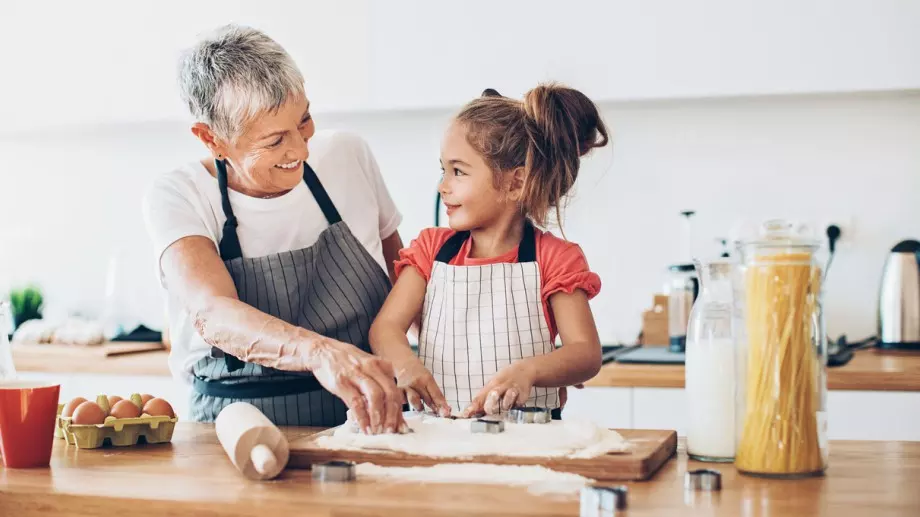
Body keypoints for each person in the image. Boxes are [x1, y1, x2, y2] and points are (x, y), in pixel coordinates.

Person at [142, 24, 405, 434]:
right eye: (275, 139)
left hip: (366, 418)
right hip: (233, 429)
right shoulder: (178, 194)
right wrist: (320, 353)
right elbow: (213, 312)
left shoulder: (348, 155)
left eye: (304, 121)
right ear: (212, 139)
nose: (300, 150)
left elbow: (403, 279)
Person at [369, 83, 607, 419]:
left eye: (458, 171)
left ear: (516, 183)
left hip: (529, 437)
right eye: (443, 170)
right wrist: (405, 364)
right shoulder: (431, 250)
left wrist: (529, 372)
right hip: (440, 433)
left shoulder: (554, 259)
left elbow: (586, 353)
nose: (443, 186)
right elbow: (386, 328)